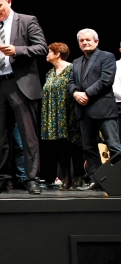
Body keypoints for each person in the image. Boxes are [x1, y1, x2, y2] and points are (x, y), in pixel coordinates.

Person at [0, 0, 47, 195]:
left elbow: (41, 48)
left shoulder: (26, 21)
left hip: (21, 85)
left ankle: (32, 179)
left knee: (28, 137)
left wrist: (17, 50)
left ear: (9, 1)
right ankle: (0, 179)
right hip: (0, 85)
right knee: (0, 137)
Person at [67, 29, 120, 191]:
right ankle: (96, 180)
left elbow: (106, 80)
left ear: (96, 41)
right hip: (83, 110)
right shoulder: (76, 62)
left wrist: (86, 94)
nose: (85, 43)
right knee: (89, 148)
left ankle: (119, 181)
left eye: (88, 40)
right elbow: (70, 82)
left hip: (103, 108)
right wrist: (75, 93)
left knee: (114, 146)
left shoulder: (107, 56)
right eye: (82, 41)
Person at [41, 42, 84, 190]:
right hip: (54, 116)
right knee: (60, 148)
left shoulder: (72, 69)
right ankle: (65, 177)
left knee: (75, 146)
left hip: (70, 113)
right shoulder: (50, 73)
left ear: (57, 54)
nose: (47, 54)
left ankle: (78, 177)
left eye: (49, 52)